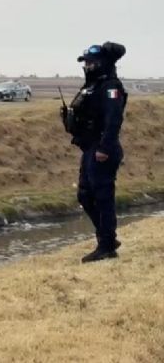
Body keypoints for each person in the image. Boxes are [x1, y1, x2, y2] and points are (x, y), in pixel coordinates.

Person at [62, 42, 127, 263]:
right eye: (86, 62)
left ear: (101, 63)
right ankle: (107, 238)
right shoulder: (92, 85)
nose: (87, 66)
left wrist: (104, 147)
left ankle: (106, 246)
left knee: (102, 197)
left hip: (102, 149)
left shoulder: (110, 86)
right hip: (89, 148)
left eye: (91, 62)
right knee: (84, 194)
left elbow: (113, 120)